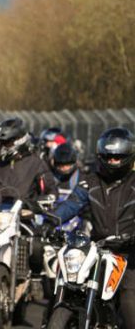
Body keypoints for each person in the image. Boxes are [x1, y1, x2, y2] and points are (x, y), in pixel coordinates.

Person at [54, 128, 135, 327]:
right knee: (69, 283)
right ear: (100, 156)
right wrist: (50, 220)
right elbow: (71, 204)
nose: (113, 160)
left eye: (118, 156)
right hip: (98, 250)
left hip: (129, 252)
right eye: (109, 156)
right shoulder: (90, 182)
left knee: (128, 298)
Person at [0, 118, 56, 201]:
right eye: (0, 143)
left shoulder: (36, 164)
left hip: (25, 211)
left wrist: (39, 201)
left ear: (20, 141)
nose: (2, 147)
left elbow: (51, 191)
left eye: (6, 143)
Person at [48, 142, 88, 232]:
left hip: (75, 222)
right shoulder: (50, 178)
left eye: (67, 165)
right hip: (52, 218)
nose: (64, 168)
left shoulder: (82, 179)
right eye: (61, 166)